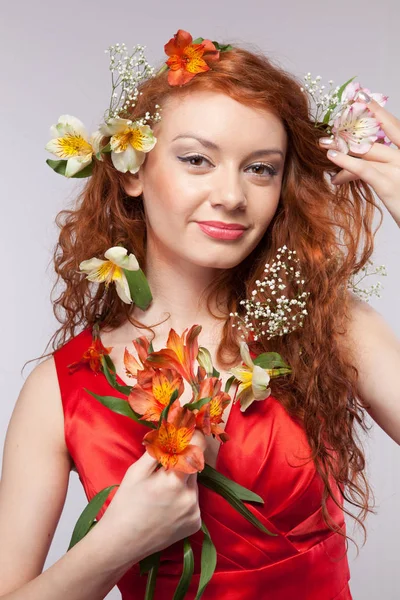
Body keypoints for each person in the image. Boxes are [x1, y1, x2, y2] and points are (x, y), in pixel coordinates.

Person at [1, 28, 400, 600]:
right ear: (133, 169)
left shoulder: (328, 326)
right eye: (197, 160)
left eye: (261, 168)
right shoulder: (60, 391)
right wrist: (115, 544)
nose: (232, 195)